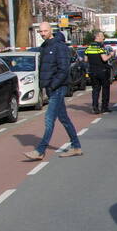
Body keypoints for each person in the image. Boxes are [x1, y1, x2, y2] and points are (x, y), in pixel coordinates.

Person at [24, 22, 82, 160]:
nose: (43, 33)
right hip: (51, 88)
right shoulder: (44, 47)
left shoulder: (59, 47)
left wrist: (53, 85)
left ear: (51, 30)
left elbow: (63, 69)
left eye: (45, 31)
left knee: (49, 119)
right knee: (64, 118)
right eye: (41, 31)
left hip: (58, 88)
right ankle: (76, 146)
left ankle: (40, 150)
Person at [85, 31, 113, 114]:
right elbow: (104, 59)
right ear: (98, 37)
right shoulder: (100, 48)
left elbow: (85, 60)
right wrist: (111, 54)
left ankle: (95, 107)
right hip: (102, 71)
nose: (103, 38)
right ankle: (104, 107)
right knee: (105, 89)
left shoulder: (88, 48)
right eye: (102, 36)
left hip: (92, 72)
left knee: (95, 90)